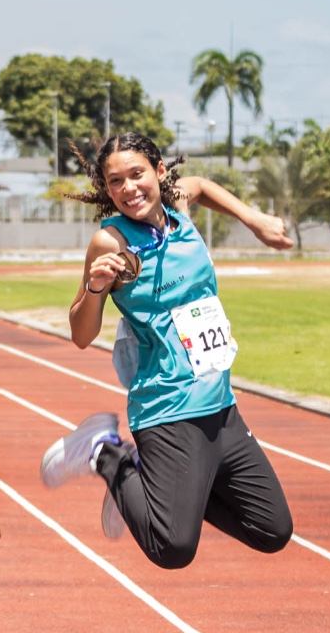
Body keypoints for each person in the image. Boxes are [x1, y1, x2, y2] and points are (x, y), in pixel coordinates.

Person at [39, 132, 295, 570]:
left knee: (271, 530)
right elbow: (82, 334)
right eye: (115, 181)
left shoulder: (178, 206)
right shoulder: (110, 242)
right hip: (168, 408)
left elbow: (200, 185)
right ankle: (107, 453)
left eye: (136, 174)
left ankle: (150, 477)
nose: (128, 188)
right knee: (172, 548)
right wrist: (95, 287)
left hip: (220, 405)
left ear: (159, 172)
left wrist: (254, 219)